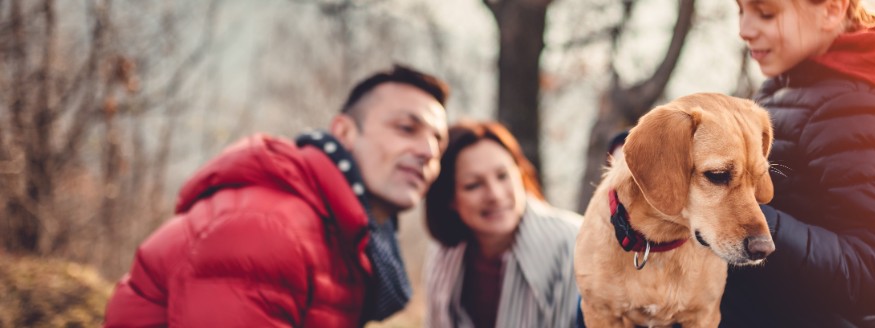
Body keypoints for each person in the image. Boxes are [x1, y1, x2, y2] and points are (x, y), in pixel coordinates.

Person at [103, 65, 450, 327]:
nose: (427, 151)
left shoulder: (348, 241)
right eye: (407, 128)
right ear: (344, 131)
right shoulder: (270, 226)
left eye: (438, 141)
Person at [723, 0, 875, 326]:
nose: (744, 30)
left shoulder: (860, 109)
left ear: (832, 10)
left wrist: (748, 218)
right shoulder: (789, 81)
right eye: (740, 10)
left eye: (766, 13)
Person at [423, 121, 582, 328]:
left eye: (503, 176)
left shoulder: (574, 243)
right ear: (449, 198)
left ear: (520, 174)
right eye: (473, 185)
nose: (495, 195)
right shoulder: (443, 251)